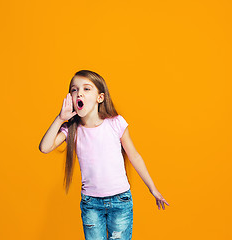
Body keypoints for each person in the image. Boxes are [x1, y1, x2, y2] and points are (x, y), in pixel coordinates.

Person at [39, 70, 169, 240]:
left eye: (86, 89)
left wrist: (153, 189)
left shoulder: (116, 123)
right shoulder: (72, 129)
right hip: (91, 204)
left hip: (120, 201)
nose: (79, 93)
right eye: (74, 90)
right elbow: (45, 147)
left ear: (100, 98)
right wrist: (59, 118)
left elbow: (134, 156)